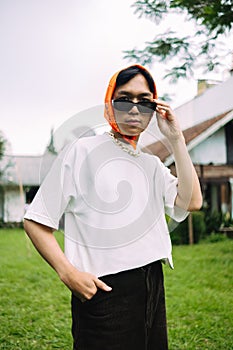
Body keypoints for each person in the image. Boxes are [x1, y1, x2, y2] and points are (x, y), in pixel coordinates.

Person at [24, 64, 202, 350]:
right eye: (124, 99)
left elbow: (192, 202)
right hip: (104, 291)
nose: (134, 109)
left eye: (144, 101)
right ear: (109, 103)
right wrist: (68, 273)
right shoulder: (82, 151)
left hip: (152, 283)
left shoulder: (151, 164)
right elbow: (36, 221)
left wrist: (175, 139)